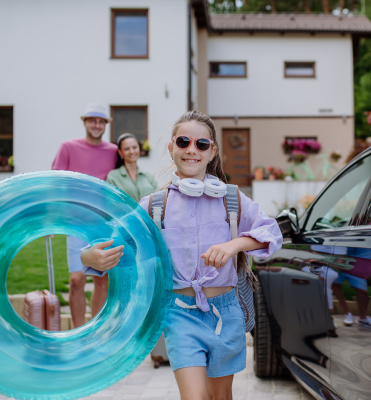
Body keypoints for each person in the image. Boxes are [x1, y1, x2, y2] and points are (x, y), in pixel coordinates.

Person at [80, 111, 282, 400]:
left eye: (201, 144)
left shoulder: (232, 198)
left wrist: (234, 245)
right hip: (180, 314)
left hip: (226, 311)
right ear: (171, 148)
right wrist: (89, 258)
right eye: (184, 141)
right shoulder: (153, 205)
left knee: (220, 396)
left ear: (212, 151)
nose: (191, 149)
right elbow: (111, 242)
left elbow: (272, 233)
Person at [51, 103, 117, 328]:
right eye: (92, 121)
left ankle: (93, 331)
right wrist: (51, 219)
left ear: (106, 125)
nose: (97, 125)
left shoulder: (113, 151)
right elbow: (54, 184)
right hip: (75, 223)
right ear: (85, 122)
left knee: (102, 280)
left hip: (102, 225)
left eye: (101, 122)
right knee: (76, 280)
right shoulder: (68, 147)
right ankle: (78, 331)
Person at [106, 133, 158, 202]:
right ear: (120, 152)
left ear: (139, 148)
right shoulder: (113, 177)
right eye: (127, 149)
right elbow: (110, 203)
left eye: (134, 147)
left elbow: (159, 198)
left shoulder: (149, 176)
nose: (131, 151)